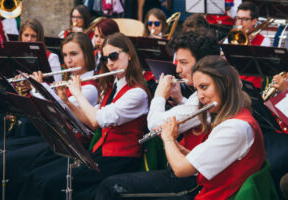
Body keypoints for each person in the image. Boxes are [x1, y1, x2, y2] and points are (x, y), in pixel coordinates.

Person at [96, 55, 266, 200]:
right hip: (206, 189)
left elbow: (180, 170)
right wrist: (178, 148)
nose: (200, 96)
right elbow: (207, 160)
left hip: (207, 194)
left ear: (226, 83)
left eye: (204, 87)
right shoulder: (236, 118)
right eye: (197, 89)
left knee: (111, 188)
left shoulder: (235, 128)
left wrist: (168, 139)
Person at [18, 32, 150, 200]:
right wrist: (68, 102)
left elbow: (97, 119)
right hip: (101, 152)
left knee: (49, 182)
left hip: (120, 159)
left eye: (114, 56)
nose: (110, 63)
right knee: (40, 177)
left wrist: (78, 94)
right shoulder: (112, 86)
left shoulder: (137, 93)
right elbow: (91, 122)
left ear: (129, 55)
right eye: (105, 59)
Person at [94, 29, 220, 199]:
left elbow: (154, 124)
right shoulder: (196, 97)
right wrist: (179, 99)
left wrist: (160, 95)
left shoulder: (205, 98)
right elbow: (195, 116)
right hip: (185, 168)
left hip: (192, 182)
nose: (178, 69)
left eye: (183, 62)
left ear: (203, 63)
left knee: (111, 187)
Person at [0, 32, 99, 200]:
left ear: (88, 55)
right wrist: (33, 87)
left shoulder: (90, 88)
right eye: (65, 55)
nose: (68, 60)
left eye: (74, 54)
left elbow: (60, 111)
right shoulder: (72, 80)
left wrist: (38, 88)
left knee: (11, 161)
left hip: (69, 145)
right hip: (55, 139)